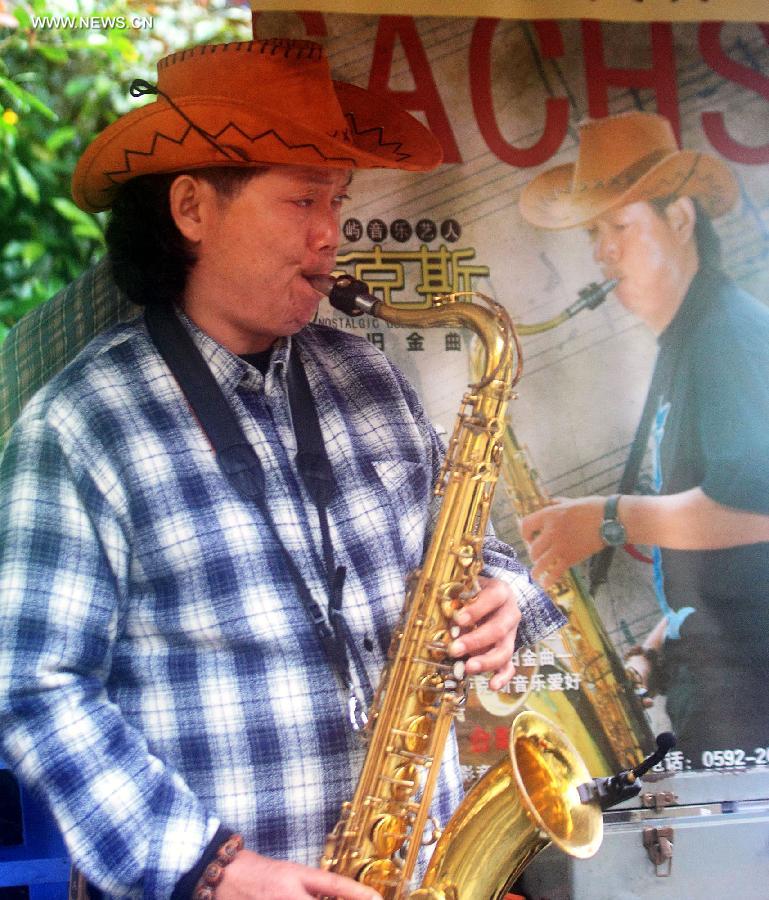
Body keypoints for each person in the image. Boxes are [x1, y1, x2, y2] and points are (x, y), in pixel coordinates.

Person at [0, 39, 564, 899]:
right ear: (192, 209)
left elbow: (476, 556)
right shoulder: (82, 426)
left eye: (336, 199)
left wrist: (506, 599)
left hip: (418, 870)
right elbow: (32, 686)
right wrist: (212, 869)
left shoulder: (371, 377)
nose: (329, 234)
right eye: (303, 198)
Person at [518, 111, 769, 762]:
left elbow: (755, 510)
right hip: (721, 692)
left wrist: (605, 521)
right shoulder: (690, 340)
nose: (601, 251)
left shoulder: (727, 337)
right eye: (594, 232)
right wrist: (651, 652)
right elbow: (728, 561)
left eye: (618, 227)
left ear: (679, 221)